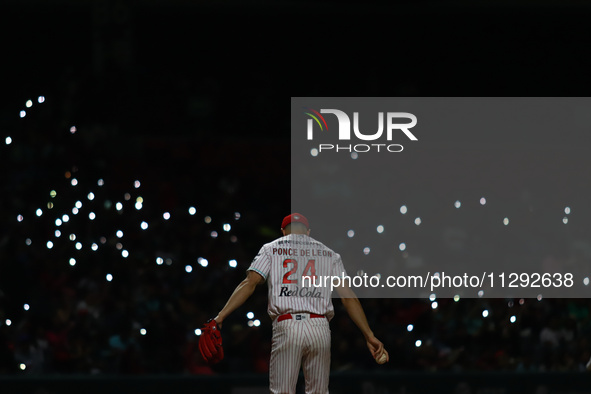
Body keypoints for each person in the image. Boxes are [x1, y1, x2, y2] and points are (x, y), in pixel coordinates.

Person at [212, 213, 388, 393]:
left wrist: (220, 317)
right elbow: (348, 297)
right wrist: (368, 334)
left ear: (283, 232)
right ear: (308, 232)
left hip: (288, 325)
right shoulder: (329, 254)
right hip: (320, 327)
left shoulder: (271, 248)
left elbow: (249, 283)